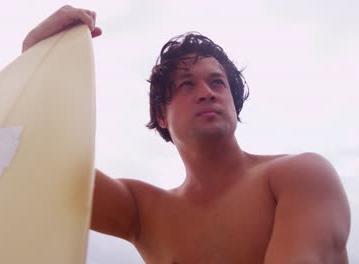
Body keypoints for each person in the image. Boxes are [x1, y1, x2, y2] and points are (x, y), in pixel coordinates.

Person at [23, 5, 351, 263]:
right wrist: (36, 61)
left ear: (234, 104)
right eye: (187, 84)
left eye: (217, 82)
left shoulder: (299, 176)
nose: (207, 92)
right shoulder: (145, 213)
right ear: (160, 117)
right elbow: (41, 165)